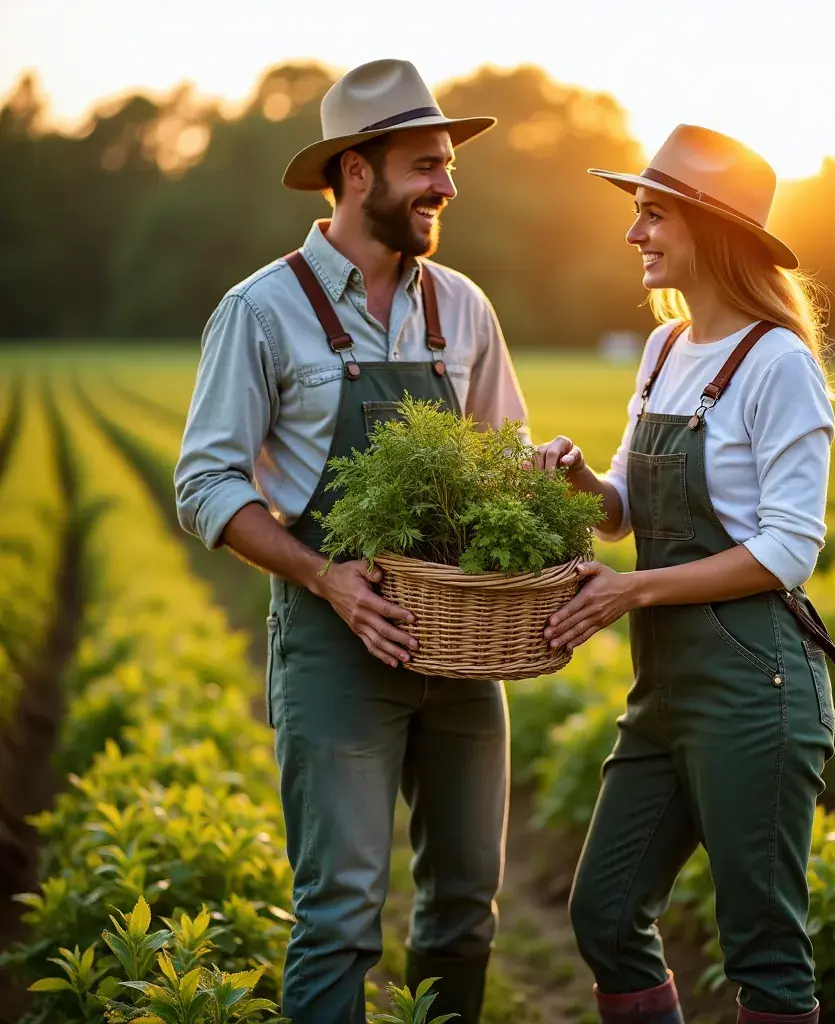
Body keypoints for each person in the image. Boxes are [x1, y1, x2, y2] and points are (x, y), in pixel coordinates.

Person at [174, 59, 529, 1024]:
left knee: (465, 906)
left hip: (460, 648)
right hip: (334, 647)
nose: (446, 185)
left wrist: (544, 513)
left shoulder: (463, 306)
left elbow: (506, 461)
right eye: (426, 166)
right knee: (338, 912)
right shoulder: (261, 310)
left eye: (449, 164)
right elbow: (206, 484)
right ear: (357, 171)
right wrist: (325, 577)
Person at [535, 125, 835, 1024]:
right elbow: (623, 510)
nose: (633, 233)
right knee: (605, 914)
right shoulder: (664, 350)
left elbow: (788, 550)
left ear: (711, 232)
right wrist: (579, 481)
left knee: (763, 950)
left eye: (652, 215)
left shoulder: (779, 364)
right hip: (665, 687)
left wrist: (631, 589)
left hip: (757, 689)